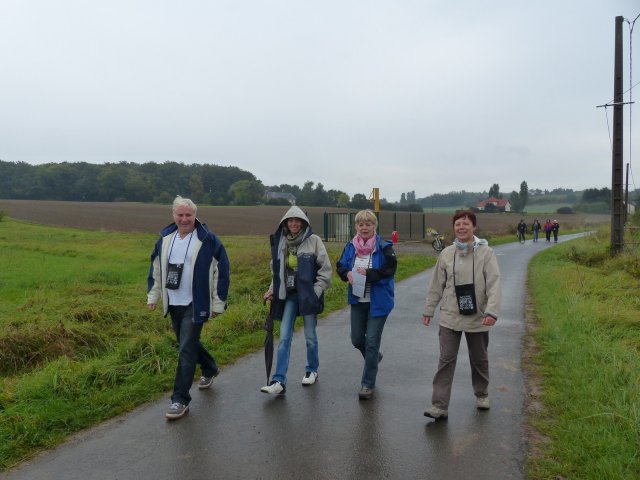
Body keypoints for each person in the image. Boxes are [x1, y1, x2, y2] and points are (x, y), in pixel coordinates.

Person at [147, 196, 230, 420]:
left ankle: (180, 399)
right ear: (173, 215)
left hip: (196, 303)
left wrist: (218, 302)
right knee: (187, 344)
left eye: (188, 215)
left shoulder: (208, 240)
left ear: (195, 215)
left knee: (185, 350)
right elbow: (156, 269)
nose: (184, 219)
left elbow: (222, 272)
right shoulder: (165, 238)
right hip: (173, 302)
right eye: (180, 215)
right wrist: (154, 295)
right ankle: (210, 368)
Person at [422, 210, 501, 419]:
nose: (461, 227)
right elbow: (436, 285)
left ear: (474, 226)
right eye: (458, 224)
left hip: (478, 316)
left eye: (466, 223)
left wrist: (492, 311)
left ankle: (482, 394)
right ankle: (439, 406)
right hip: (450, 315)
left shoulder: (486, 253)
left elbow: (494, 284)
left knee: (479, 359)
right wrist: (429, 309)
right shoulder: (446, 254)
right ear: (454, 228)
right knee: (445, 360)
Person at [261, 206, 332, 395]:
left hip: (308, 295)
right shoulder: (281, 242)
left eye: (297, 220)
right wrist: (271, 290)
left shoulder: (314, 241)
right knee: (284, 336)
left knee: (310, 336)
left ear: (303, 223)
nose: (294, 224)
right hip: (290, 296)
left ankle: (312, 370)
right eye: (290, 220)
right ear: (285, 223)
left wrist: (315, 292)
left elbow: (326, 271)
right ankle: (279, 381)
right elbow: (277, 273)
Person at [336, 209, 397, 400]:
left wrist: (368, 274)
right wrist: (347, 273)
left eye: (368, 224)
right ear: (356, 226)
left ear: (374, 226)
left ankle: (367, 384)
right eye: (361, 224)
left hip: (379, 302)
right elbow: (340, 266)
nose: (364, 227)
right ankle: (375, 358)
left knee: (371, 342)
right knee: (356, 339)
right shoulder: (350, 246)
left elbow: (390, 270)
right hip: (358, 300)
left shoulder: (385, 247)